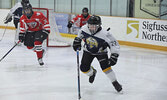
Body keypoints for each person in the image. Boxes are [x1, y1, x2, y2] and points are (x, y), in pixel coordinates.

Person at [72, 15, 122, 92]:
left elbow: (114, 44)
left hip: (101, 53)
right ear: (88, 25)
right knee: (83, 68)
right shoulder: (84, 29)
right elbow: (80, 35)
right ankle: (92, 73)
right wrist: (77, 41)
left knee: (106, 68)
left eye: (95, 26)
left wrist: (114, 55)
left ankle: (115, 82)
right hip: (88, 51)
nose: (92, 28)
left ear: (99, 26)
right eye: (90, 26)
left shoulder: (105, 34)